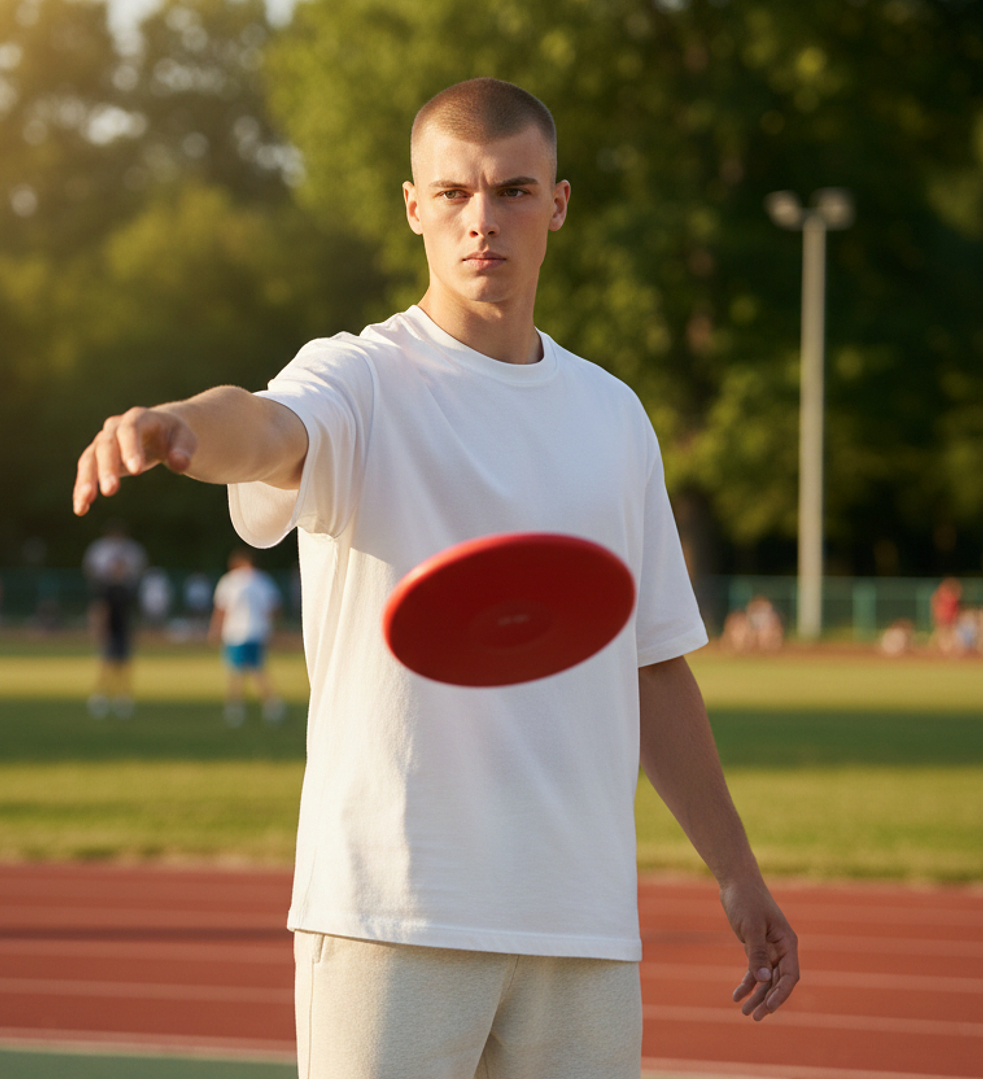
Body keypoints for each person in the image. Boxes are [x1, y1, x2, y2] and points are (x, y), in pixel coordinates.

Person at [73, 78, 798, 1079]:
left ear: (557, 203)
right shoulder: (358, 378)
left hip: (578, 921)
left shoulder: (614, 414)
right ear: (413, 206)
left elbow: (652, 664)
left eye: (512, 190)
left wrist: (734, 869)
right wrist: (180, 426)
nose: (480, 219)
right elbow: (266, 423)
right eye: (453, 192)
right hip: (392, 914)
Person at [210, 547, 286, 725]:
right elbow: (274, 608)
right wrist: (272, 627)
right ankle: (272, 706)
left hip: (235, 632)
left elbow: (221, 609)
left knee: (235, 672)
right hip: (257, 631)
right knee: (258, 670)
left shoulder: (229, 581)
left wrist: (215, 629)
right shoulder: (263, 580)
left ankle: (235, 709)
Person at [82, 519, 147, 718]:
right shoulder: (106, 589)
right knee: (105, 663)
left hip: (123, 628)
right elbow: (100, 610)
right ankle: (100, 695)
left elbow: (132, 612)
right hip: (109, 628)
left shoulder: (127, 590)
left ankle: (123, 697)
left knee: (124, 664)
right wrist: (99, 628)